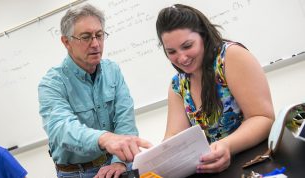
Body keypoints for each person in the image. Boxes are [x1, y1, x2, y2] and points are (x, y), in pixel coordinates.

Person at [155, 4, 275, 173]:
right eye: (171, 51)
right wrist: (158, 156)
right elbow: (174, 138)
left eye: (188, 46)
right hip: (220, 167)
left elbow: (263, 117)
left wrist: (227, 145)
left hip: (256, 161)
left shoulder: (230, 57)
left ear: (203, 36)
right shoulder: (178, 84)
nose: (181, 58)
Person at [38, 4, 152, 178]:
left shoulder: (112, 70)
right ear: (66, 42)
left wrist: (119, 162)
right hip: (76, 172)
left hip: (116, 164)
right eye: (86, 37)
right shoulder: (52, 83)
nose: (96, 44)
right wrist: (104, 139)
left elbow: (125, 118)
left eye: (99, 35)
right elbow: (61, 129)